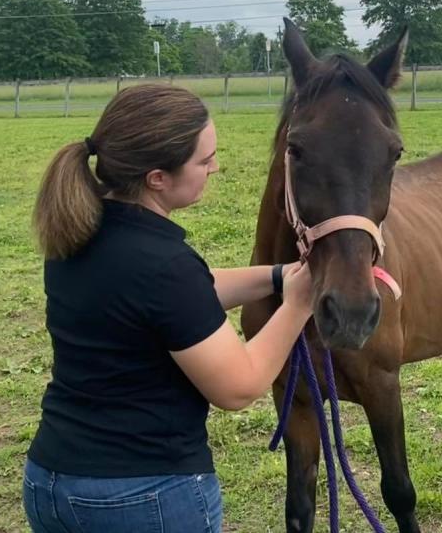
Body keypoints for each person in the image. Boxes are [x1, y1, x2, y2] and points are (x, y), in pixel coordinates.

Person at [23, 84, 310, 533]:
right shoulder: (163, 267)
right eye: (204, 159)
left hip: (50, 483)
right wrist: (300, 303)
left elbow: (178, 298)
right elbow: (238, 388)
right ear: (157, 177)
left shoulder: (76, 232)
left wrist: (276, 276)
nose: (215, 167)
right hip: (142, 495)